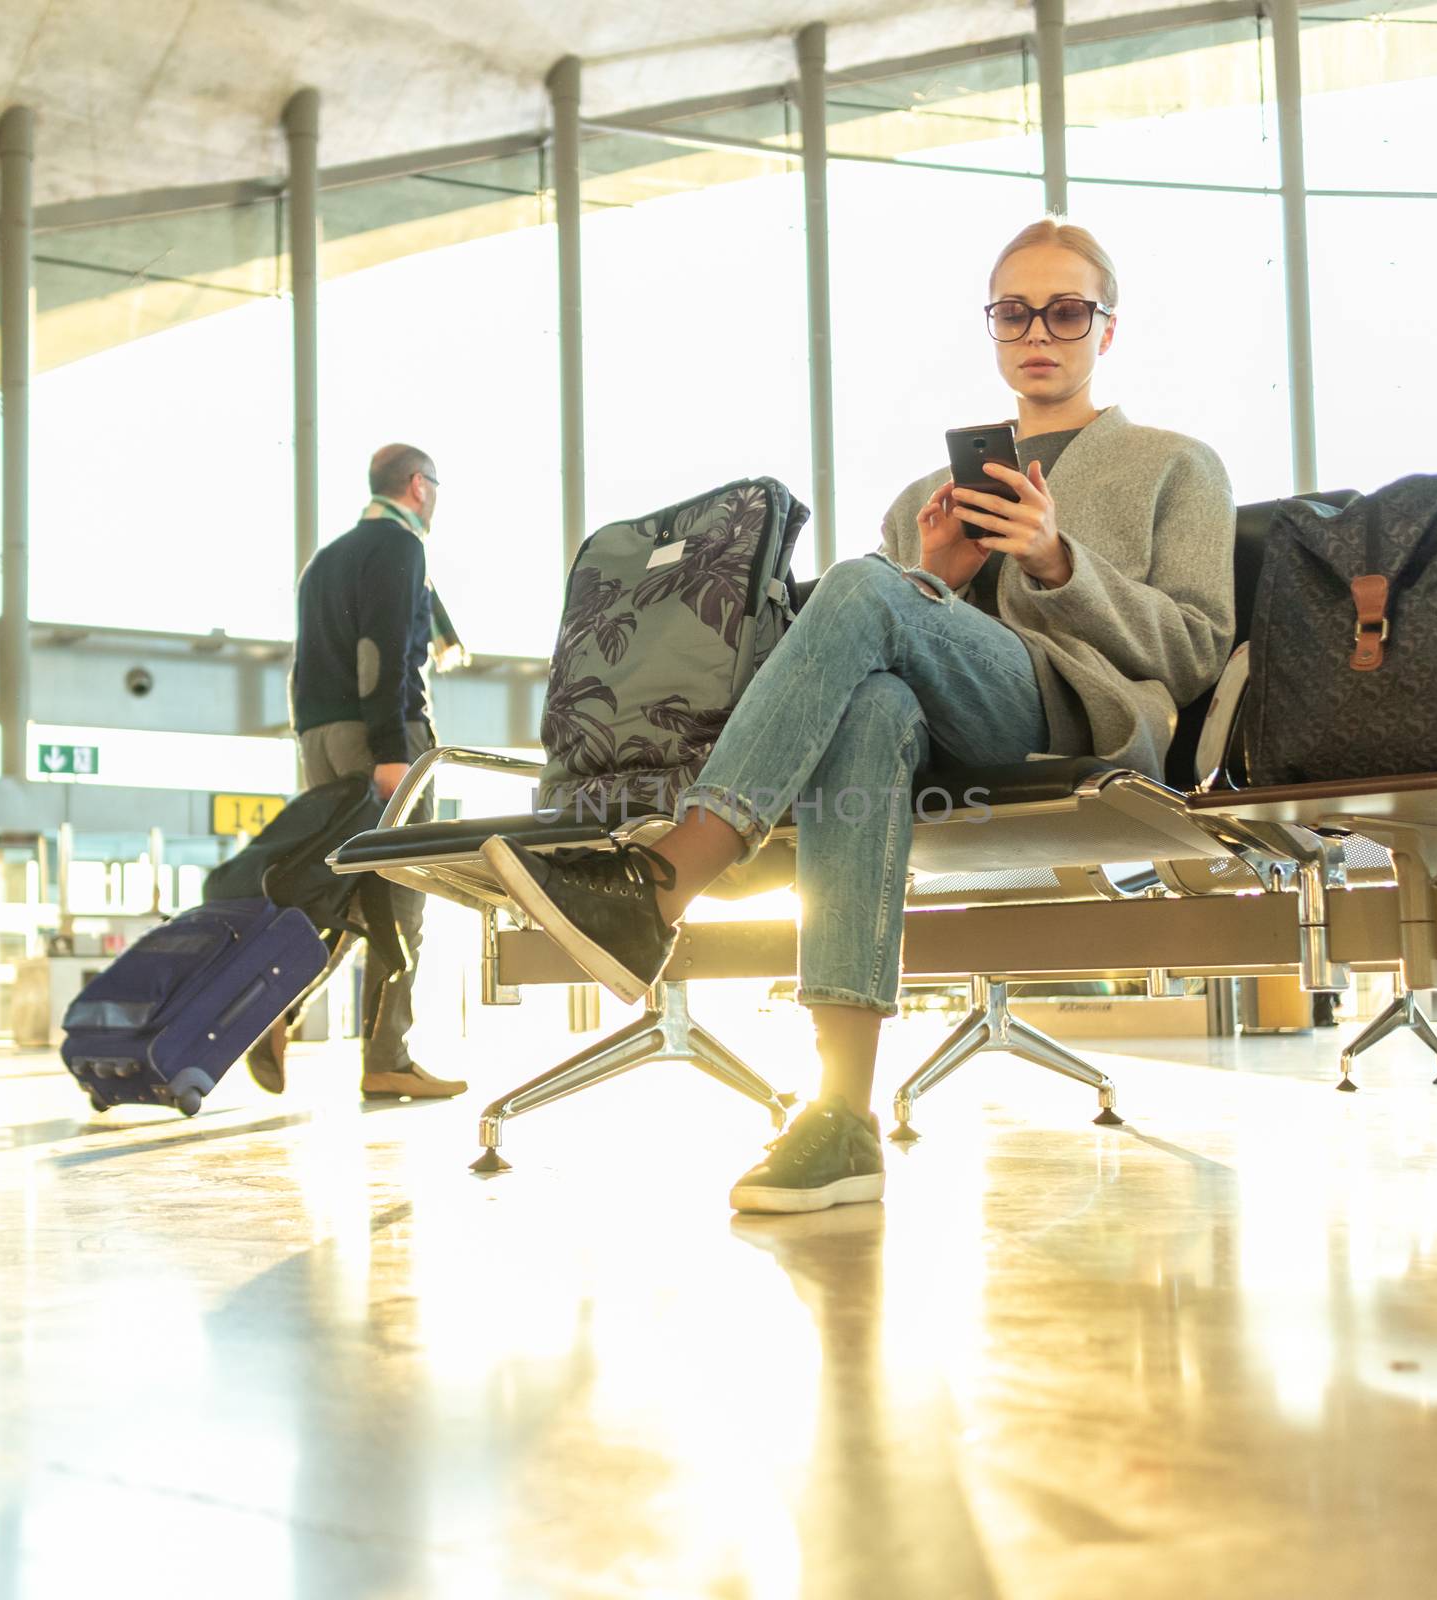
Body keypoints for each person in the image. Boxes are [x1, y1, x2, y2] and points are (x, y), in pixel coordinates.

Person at [484, 219, 1236, 1209]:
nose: (1038, 330)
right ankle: (841, 1116)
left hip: (1074, 718)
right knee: (872, 703)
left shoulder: (1173, 464)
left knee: (858, 585)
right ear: (993, 329)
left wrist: (1059, 563)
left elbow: (1192, 651)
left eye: (1065, 310)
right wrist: (936, 577)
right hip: (936, 726)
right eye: (1014, 311)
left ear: (1106, 331)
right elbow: (880, 648)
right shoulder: (930, 493)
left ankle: (667, 878)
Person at [254, 443, 467, 1101]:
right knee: (401, 892)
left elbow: (308, 663)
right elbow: (380, 655)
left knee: (341, 894)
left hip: (318, 737)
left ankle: (273, 1009)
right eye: (436, 483)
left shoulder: (325, 560)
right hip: (379, 737)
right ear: (416, 485)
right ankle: (388, 1057)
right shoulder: (400, 548)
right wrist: (389, 749)